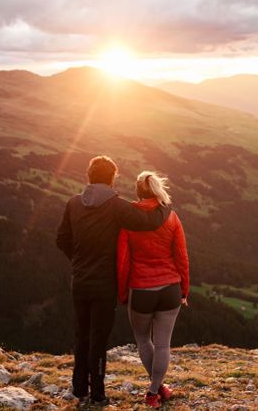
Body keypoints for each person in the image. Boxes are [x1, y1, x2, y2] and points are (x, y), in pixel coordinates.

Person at [56, 156, 171, 406]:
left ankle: (79, 389)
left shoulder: (73, 203)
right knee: (98, 338)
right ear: (112, 178)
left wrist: (77, 261)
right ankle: (97, 394)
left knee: (81, 334)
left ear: (88, 176)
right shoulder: (116, 206)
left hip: (80, 281)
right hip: (104, 285)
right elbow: (148, 222)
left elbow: (61, 239)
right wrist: (165, 207)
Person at [117, 171, 189, 409]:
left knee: (142, 339)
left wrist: (123, 293)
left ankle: (153, 390)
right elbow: (181, 257)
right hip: (170, 288)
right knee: (163, 345)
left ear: (138, 191)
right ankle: (156, 389)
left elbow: (123, 260)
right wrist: (184, 291)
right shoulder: (171, 216)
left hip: (142, 289)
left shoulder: (129, 219)